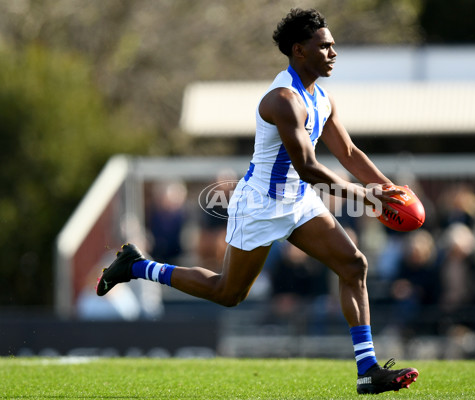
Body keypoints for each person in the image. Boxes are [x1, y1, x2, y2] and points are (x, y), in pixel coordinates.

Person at [96, 8, 418, 394]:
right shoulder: (283, 99)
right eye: (325, 46)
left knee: (354, 265)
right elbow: (309, 167)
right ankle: (137, 267)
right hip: (261, 205)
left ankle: (367, 369)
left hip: (296, 201)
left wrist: (387, 189)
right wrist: (365, 196)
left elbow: (348, 152)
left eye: (334, 46)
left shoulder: (322, 98)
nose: (333, 53)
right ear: (299, 50)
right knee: (227, 293)